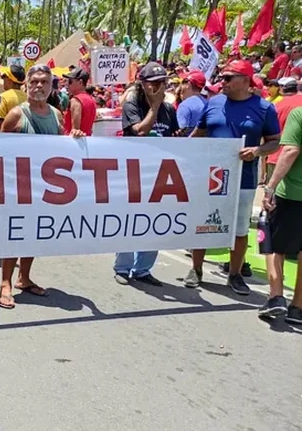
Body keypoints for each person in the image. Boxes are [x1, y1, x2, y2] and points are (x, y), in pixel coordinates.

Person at [187, 60, 281, 295]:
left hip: (244, 179)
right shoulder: (213, 103)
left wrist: (257, 151)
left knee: (239, 229)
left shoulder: (264, 108)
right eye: (222, 77)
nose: (222, 82)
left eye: (228, 78)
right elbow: (198, 134)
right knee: (204, 223)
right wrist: (178, 154)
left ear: (246, 80)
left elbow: (274, 141)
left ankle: (235, 274)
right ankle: (196, 269)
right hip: (211, 177)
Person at [0, 64, 85, 308]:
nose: (38, 86)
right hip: (20, 187)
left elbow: (60, 148)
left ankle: (24, 278)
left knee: (34, 234)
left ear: (51, 86)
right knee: (15, 235)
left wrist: (74, 137)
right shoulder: (16, 114)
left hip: (46, 189)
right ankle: (6, 282)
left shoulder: (56, 114)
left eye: (44, 82)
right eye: (34, 81)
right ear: (26, 85)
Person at [115, 62, 181, 287]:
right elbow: (141, 131)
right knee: (130, 220)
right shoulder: (132, 105)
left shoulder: (169, 110)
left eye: (161, 83)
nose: (157, 88)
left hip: (161, 175)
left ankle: (143, 269)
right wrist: (154, 106)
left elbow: (174, 138)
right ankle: (123, 267)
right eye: (152, 84)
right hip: (134, 174)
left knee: (155, 222)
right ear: (142, 85)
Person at [260, 107, 302, 323]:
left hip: (294, 193)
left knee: (274, 245)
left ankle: (276, 295)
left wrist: (270, 186)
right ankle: (298, 306)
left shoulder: (299, 113)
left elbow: (290, 151)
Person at [265, 78, 302, 184]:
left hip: (276, 156)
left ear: (282, 89)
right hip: (297, 159)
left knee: (271, 197)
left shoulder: (276, 105)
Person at [0, 65, 27, 132]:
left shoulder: (3, 98)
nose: (2, 79)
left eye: (3, 77)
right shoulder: (28, 97)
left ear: (9, 80)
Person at [64, 68, 97, 135]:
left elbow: (75, 131)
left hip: (74, 141)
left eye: (70, 81)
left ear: (80, 82)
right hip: (87, 139)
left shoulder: (76, 100)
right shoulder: (91, 99)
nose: (67, 84)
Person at [176, 69, 207, 134]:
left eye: (183, 82)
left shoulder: (185, 106)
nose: (181, 85)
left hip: (189, 143)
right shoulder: (207, 104)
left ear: (188, 84)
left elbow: (180, 133)